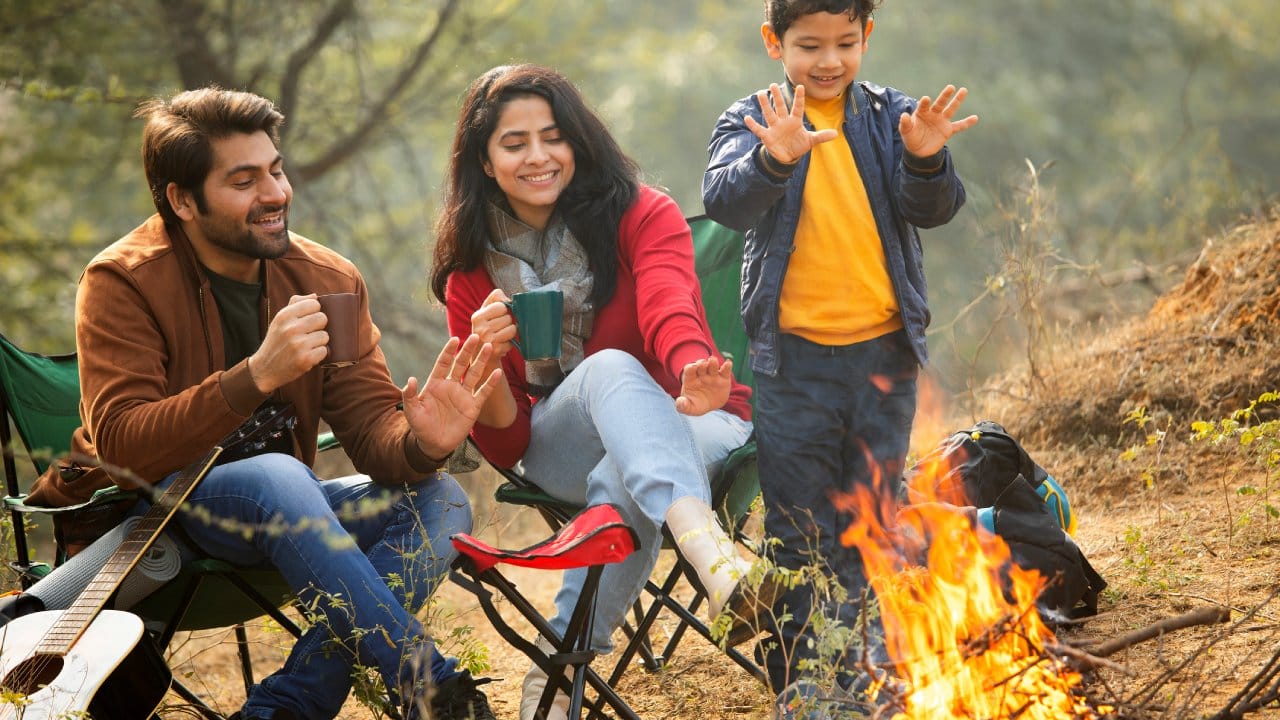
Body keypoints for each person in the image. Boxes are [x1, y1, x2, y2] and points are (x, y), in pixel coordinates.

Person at [10, 87, 503, 720]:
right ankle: (429, 684)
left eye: (276, 170)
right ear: (182, 200)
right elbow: (124, 445)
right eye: (244, 181)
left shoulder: (328, 279)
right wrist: (255, 376)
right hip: (162, 516)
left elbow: (371, 431)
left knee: (441, 498)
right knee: (277, 474)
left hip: (290, 515)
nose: (275, 193)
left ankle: (284, 709)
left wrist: (420, 444)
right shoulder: (123, 279)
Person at [431, 64, 775, 720]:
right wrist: (489, 362)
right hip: (561, 445)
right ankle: (712, 556)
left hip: (694, 418)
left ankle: (552, 683)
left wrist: (693, 369)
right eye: (514, 143)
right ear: (484, 162)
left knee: (623, 470)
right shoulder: (471, 276)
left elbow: (671, 305)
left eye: (553, 136)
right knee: (611, 369)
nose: (538, 156)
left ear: (578, 141)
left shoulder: (641, 214)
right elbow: (506, 442)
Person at [701, 0, 979, 714]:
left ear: (867, 37)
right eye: (809, 46)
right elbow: (725, 202)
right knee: (800, 533)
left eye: (845, 43)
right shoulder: (753, 119)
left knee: (872, 525)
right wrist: (773, 157)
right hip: (793, 368)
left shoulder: (891, 116)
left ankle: (863, 674)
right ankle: (804, 683)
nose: (829, 61)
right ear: (774, 42)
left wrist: (927, 158)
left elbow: (934, 208)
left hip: (884, 359)